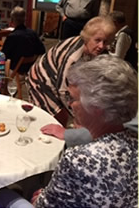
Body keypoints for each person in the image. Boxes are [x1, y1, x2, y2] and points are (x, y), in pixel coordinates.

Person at [32, 55, 137, 207]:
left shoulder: (80, 158)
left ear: (97, 107)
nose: (70, 104)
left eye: (73, 98)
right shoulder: (134, 141)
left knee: (6, 196)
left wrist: (40, 197)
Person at [26, 16, 116, 127]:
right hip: (42, 79)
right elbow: (63, 90)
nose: (101, 46)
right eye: (97, 40)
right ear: (88, 38)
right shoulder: (72, 57)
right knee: (57, 119)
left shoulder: (99, 50)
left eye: (105, 41)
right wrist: (78, 115)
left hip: (60, 79)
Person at [1, 6, 45, 73]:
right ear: (25, 19)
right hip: (30, 67)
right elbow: (42, 50)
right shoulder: (33, 33)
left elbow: (3, 56)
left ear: (12, 20)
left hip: (15, 67)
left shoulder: (12, 36)